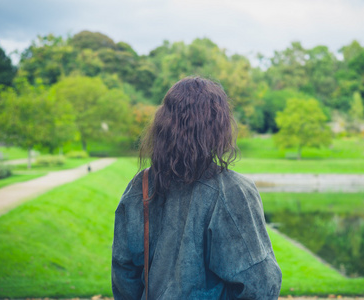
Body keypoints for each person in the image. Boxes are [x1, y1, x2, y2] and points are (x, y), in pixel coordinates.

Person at [111, 77, 282, 299]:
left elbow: (124, 274)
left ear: (163, 123)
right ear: (218, 126)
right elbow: (261, 285)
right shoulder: (232, 191)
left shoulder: (140, 186)